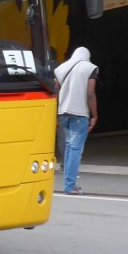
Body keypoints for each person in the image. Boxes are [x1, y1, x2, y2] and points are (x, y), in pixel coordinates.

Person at [54, 46, 98, 194]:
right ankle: (69, 186)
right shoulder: (90, 68)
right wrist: (95, 115)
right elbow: (90, 93)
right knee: (75, 150)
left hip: (63, 113)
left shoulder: (61, 68)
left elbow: (57, 90)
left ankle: (69, 183)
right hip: (79, 114)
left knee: (68, 147)